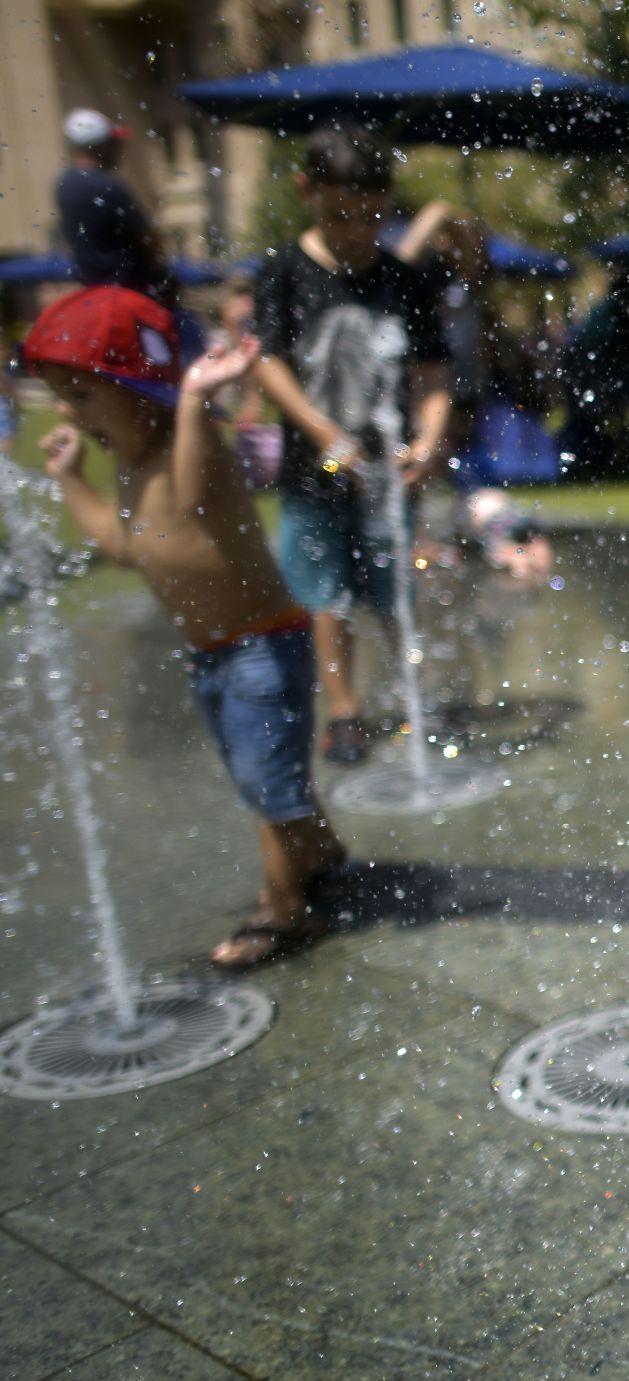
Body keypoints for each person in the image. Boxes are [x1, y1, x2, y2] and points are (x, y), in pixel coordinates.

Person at [20, 286, 347, 967]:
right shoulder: (135, 467)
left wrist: (196, 400)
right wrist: (72, 478)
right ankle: (317, 851)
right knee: (260, 775)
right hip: (214, 656)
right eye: (61, 395)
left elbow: (194, 500)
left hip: (264, 645)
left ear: (135, 387)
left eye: (80, 394)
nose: (67, 412)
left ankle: (285, 911)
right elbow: (123, 545)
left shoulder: (191, 445)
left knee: (265, 783)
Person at [253, 122, 451, 764]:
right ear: (306, 192)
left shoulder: (404, 280)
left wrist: (427, 437)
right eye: (340, 214)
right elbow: (269, 363)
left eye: (371, 216)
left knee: (394, 592)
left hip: (388, 476)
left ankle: (413, 701)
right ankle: (344, 712)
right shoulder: (284, 272)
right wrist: (325, 432)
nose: (356, 230)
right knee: (326, 598)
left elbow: (431, 373)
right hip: (313, 475)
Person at [55, 109, 177, 310]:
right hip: (130, 291)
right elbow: (146, 238)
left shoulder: (64, 185)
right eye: (114, 143)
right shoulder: (106, 185)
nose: (119, 149)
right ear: (100, 146)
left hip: (92, 292)